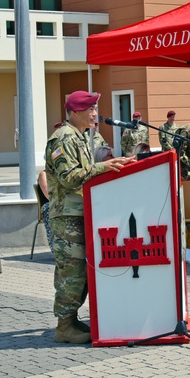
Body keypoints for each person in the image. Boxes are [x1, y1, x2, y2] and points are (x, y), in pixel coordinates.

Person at [46, 90, 130, 344]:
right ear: (75, 112)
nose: (95, 114)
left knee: (82, 271)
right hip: (67, 217)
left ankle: (71, 320)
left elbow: (88, 171)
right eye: (91, 109)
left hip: (83, 213)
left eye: (95, 109)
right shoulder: (62, 139)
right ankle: (64, 326)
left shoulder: (81, 136)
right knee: (72, 273)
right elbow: (69, 177)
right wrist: (102, 168)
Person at [36, 169, 54, 250]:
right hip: (49, 205)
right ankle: (55, 249)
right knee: (52, 209)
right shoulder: (44, 174)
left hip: (62, 204)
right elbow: (49, 196)